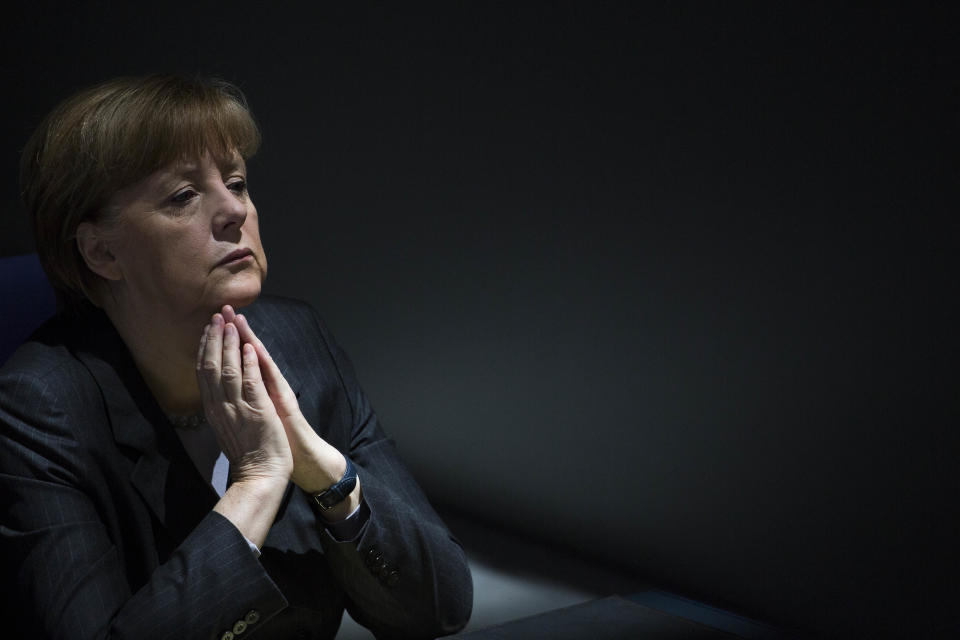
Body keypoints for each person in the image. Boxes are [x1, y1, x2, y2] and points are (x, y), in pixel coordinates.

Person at [0, 75, 472, 639]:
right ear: (102, 251)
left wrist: (323, 473)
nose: (233, 211)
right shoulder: (39, 407)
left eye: (238, 183)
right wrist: (257, 481)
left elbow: (441, 607)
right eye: (183, 196)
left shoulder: (298, 341)